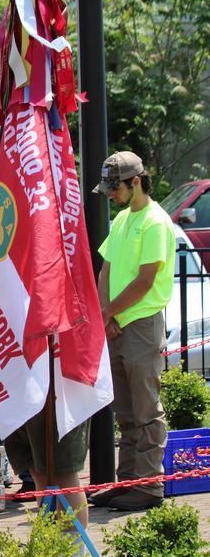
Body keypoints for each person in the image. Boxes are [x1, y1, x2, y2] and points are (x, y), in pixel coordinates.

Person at [0, 211, 88, 525]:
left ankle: (74, 550)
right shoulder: (5, 247)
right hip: (20, 370)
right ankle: (50, 546)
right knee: (38, 471)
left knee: (63, 473)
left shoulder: (51, 234)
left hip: (55, 370)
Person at [89, 151, 175, 511]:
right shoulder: (123, 218)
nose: (110, 194)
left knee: (145, 409)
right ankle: (128, 483)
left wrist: (108, 312)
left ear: (135, 182)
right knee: (125, 411)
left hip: (141, 323)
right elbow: (106, 268)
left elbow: (145, 280)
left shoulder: (156, 221)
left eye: (115, 187)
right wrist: (104, 315)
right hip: (118, 323)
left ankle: (149, 486)